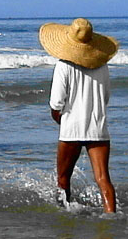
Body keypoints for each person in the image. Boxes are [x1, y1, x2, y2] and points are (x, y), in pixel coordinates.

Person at [40, 18, 118, 213]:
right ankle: (111, 216)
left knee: (63, 178)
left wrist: (57, 115)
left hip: (71, 129)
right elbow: (106, 96)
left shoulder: (63, 65)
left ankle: (65, 215)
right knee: (103, 179)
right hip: (98, 128)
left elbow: (57, 102)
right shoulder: (102, 66)